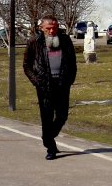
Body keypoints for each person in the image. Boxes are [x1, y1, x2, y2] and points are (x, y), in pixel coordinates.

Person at [23, 15, 77, 160]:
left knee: (62, 115)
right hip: (44, 85)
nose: (52, 31)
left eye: (54, 27)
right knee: (47, 117)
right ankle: (50, 148)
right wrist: (36, 81)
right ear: (42, 28)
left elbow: (72, 63)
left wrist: (69, 80)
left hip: (62, 84)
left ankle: (47, 136)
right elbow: (26, 65)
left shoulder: (65, 40)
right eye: (48, 28)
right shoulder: (35, 41)